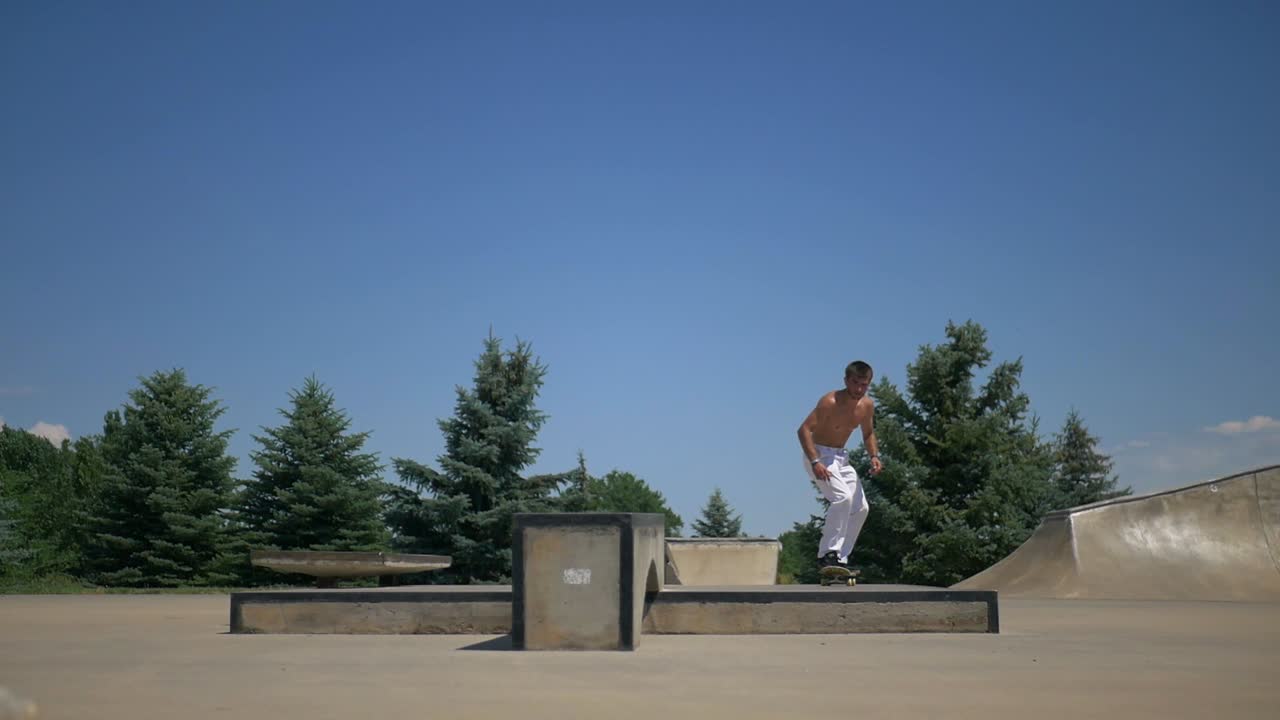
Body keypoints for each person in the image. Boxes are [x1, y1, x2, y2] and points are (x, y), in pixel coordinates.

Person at [796, 360, 882, 571]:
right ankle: (826, 555)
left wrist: (874, 456)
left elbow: (868, 432)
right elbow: (804, 430)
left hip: (840, 457)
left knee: (861, 508)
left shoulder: (866, 406)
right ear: (846, 381)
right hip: (819, 454)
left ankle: (840, 559)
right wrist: (815, 461)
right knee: (842, 497)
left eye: (864, 385)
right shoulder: (830, 401)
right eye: (855, 383)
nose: (859, 389)